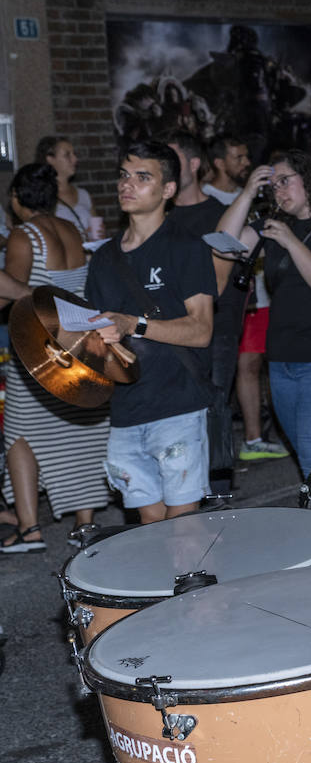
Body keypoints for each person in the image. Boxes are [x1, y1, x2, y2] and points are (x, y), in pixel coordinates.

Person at [218, 151, 311, 477]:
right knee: (310, 452)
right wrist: (246, 193)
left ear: (309, 180)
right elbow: (223, 245)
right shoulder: (276, 225)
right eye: (272, 186)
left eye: (285, 181)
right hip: (283, 360)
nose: (279, 192)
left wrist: (291, 243)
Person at [88, 141, 215, 524]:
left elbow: (202, 330)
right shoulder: (104, 258)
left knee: (183, 528)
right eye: (124, 176)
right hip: (126, 408)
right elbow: (95, 333)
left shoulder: (186, 248)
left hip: (178, 404)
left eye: (143, 177)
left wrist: (135, 324)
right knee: (150, 528)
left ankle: (193, 587)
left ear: (168, 189)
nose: (128, 184)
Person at [0, 164, 107, 552]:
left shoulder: (24, 236)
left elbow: (7, 297)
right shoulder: (71, 231)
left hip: (35, 350)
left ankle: (30, 529)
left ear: (16, 199)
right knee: (81, 429)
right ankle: (85, 523)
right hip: (73, 345)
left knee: (19, 435)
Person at [165, 132, 249, 489]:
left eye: (172, 159)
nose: (164, 167)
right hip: (170, 325)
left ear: (194, 164)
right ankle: (182, 486)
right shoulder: (160, 217)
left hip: (218, 327)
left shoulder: (218, 213)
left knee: (212, 404)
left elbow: (217, 283)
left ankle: (217, 490)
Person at [36, 135, 102, 239]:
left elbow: (96, 232)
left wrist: (98, 234)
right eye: (67, 155)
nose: (75, 159)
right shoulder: (41, 196)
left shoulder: (83, 194)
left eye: (74, 154)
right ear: (50, 159)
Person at [203, 135, 251, 205]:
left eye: (247, 156)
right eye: (239, 158)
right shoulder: (205, 198)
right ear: (220, 164)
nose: (247, 163)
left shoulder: (246, 194)